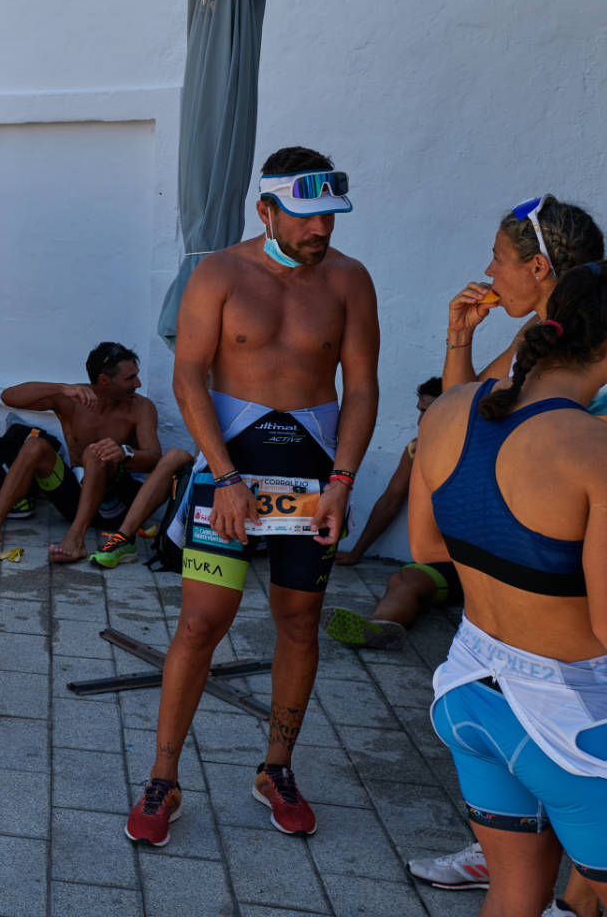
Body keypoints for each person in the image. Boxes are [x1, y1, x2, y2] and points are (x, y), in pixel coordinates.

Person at [127, 147, 379, 846]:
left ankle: (277, 767)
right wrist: (225, 478)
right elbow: (187, 378)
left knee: (300, 622)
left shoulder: (350, 281)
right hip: (228, 477)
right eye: (304, 217)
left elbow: (360, 386)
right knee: (201, 623)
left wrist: (343, 483)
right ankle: (163, 776)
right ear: (264, 209)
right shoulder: (220, 273)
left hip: (312, 482)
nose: (319, 231)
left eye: (328, 217)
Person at [408, 263, 607, 917]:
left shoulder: (450, 407)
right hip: (569, 719)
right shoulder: (592, 447)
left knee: (513, 896)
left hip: (470, 690)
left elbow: (427, 549)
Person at [0, 342, 166, 563]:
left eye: (136, 376)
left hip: (116, 507)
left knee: (94, 453)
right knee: (34, 445)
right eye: (130, 379)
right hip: (74, 502)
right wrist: (61, 388)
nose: (138, 383)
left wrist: (125, 453)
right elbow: (8, 397)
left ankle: (76, 539)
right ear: (104, 381)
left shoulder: (141, 408)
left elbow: (155, 459)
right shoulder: (74, 398)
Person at [317, 379, 447, 650]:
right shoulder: (416, 449)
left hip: (482, 566)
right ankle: (376, 628)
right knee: (404, 580)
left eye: (430, 412)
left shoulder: (480, 450)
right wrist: (356, 552)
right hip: (442, 563)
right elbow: (390, 501)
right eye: (420, 410)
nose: (421, 420)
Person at [445, 195, 602, 389]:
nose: (489, 271)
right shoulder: (541, 325)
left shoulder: (594, 347)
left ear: (538, 267)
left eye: (498, 259)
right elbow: (459, 408)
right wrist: (460, 332)